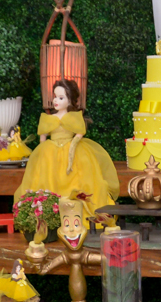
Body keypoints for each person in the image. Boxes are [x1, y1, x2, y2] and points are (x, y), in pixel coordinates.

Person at [15, 79, 119, 227]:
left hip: (74, 151)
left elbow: (79, 133)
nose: (56, 100)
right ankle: (48, 218)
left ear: (70, 100)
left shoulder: (74, 117)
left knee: (81, 179)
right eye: (55, 97)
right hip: (50, 154)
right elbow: (42, 140)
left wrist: (73, 145)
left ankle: (78, 218)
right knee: (48, 182)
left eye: (61, 97)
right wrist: (42, 158)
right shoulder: (47, 118)